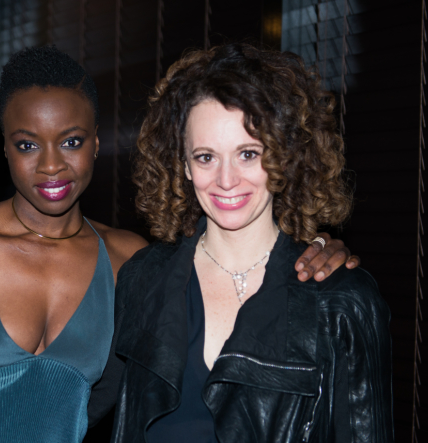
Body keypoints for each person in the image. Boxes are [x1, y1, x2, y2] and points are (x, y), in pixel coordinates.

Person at [0, 46, 359, 443]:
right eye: (205, 156)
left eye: (248, 153)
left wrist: (315, 245)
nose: (51, 165)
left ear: (96, 144)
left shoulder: (133, 263)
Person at [100, 43, 393, 442]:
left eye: (248, 154)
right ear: (183, 164)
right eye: (206, 157)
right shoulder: (141, 279)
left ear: (284, 156)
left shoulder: (343, 301)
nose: (225, 179)